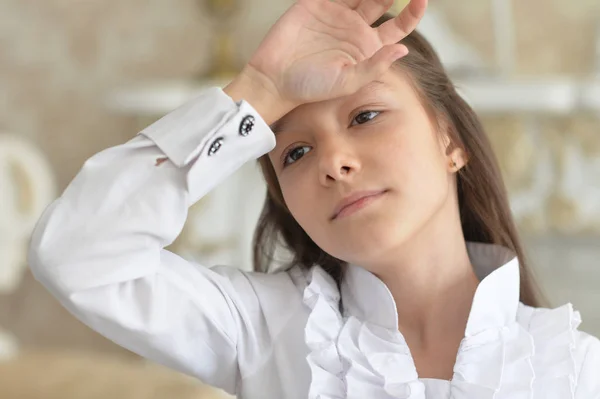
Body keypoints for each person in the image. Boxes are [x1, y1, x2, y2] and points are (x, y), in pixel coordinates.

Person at [28, 0, 599, 398]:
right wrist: (261, 89)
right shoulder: (263, 329)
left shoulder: (576, 371)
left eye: (366, 116)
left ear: (450, 141)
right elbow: (77, 253)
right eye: (294, 154)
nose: (332, 161)